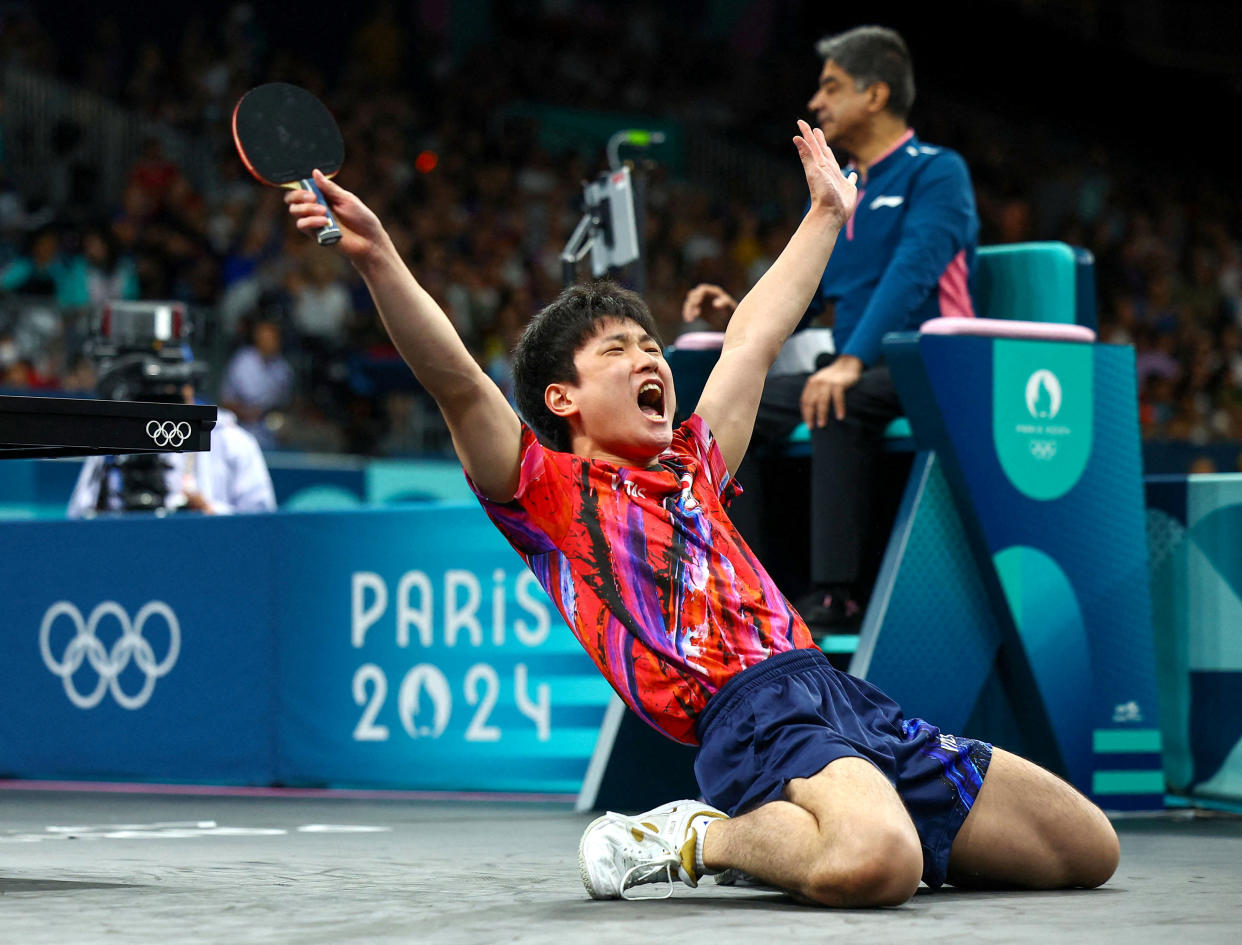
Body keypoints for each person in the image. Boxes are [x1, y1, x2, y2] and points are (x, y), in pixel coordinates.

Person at [283, 118, 1117, 907]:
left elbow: (752, 333)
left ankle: (839, 827)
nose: (648, 355)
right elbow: (459, 379)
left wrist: (827, 214)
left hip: (837, 694)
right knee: (880, 861)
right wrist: (381, 260)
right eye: (617, 348)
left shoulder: (694, 462)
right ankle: (701, 834)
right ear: (560, 396)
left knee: (1085, 847)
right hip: (745, 715)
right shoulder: (544, 493)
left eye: (649, 344)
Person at [683, 26, 979, 634]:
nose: (816, 103)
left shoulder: (937, 173)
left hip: (932, 363)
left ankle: (836, 595)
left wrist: (851, 360)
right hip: (859, 364)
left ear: (875, 95)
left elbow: (912, 274)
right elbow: (807, 286)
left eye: (832, 88)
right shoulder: (843, 188)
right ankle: (747, 582)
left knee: (835, 401)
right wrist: (738, 312)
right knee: (735, 411)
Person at [68, 381, 277, 518]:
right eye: (154, 388)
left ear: (189, 386)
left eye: (172, 387)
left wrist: (210, 511)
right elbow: (78, 515)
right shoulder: (114, 440)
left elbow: (263, 523)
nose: (163, 396)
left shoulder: (233, 441)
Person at [219, 315, 295, 450]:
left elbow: (288, 403)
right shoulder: (242, 361)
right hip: (241, 428)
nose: (269, 341)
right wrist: (246, 413)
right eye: (265, 337)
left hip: (271, 429)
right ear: (257, 338)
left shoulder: (283, 368)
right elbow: (226, 402)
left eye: (273, 337)